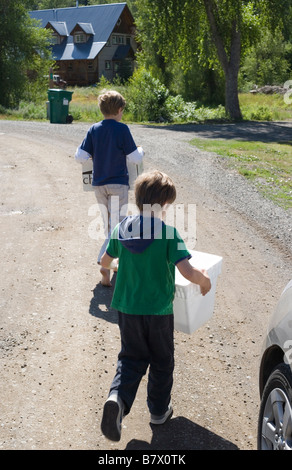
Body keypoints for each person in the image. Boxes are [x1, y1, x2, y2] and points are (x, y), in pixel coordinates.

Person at [100, 170, 211, 441]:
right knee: (161, 361)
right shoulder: (168, 234)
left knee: (131, 357)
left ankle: (118, 399)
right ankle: (159, 412)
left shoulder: (121, 228)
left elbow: (104, 261)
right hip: (158, 311)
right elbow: (187, 271)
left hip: (126, 308)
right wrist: (204, 281)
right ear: (163, 206)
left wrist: (111, 271)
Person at [75, 90, 144, 286]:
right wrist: (141, 150)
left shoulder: (93, 130)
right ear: (120, 109)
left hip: (99, 185)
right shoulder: (122, 129)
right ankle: (104, 263)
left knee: (108, 225)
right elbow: (135, 158)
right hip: (118, 183)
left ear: (102, 109)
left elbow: (80, 157)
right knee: (120, 225)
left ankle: (112, 262)